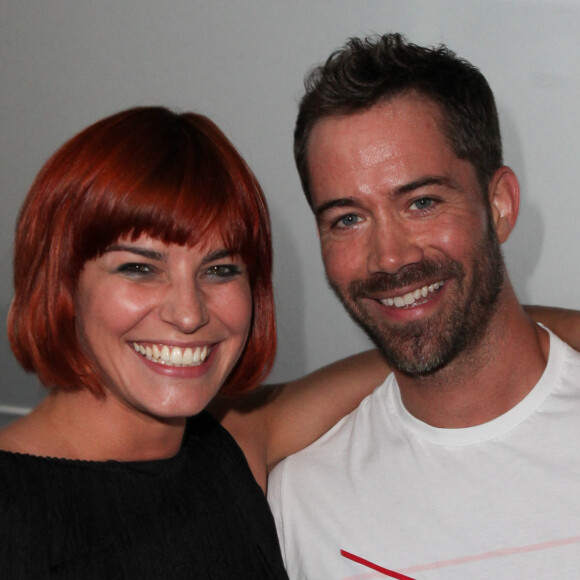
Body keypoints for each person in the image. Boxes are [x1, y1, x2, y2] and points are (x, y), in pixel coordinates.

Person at [0, 106, 383, 578]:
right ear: (60, 284)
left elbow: (410, 358)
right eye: (138, 268)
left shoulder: (231, 444)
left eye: (220, 270)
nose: (188, 313)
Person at [267, 34, 580, 578]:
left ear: (499, 204)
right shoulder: (299, 500)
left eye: (422, 202)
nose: (388, 258)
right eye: (347, 218)